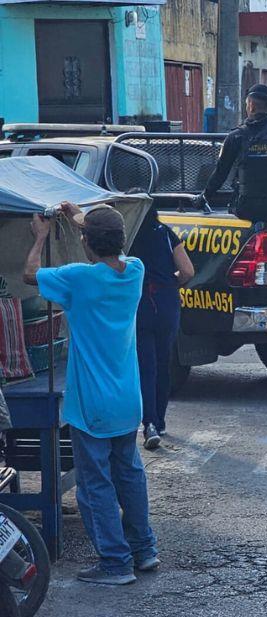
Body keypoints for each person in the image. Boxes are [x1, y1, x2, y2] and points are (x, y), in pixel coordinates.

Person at [23, 203, 159, 585]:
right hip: (127, 401)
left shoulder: (78, 279)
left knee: (95, 483)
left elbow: (29, 273)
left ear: (86, 242)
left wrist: (41, 237)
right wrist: (81, 216)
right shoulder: (134, 270)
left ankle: (115, 564)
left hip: (93, 406)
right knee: (129, 474)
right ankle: (143, 550)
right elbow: (107, 241)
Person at [195, 84, 267, 224]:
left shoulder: (235, 137)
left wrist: (204, 197)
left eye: (247, 105)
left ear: (251, 105)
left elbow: (220, 174)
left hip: (247, 210)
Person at [130, 206, 194, 450]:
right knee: (164, 360)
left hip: (140, 303)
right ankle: (161, 420)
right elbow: (188, 271)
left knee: (146, 365)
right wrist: (169, 282)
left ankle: (149, 424)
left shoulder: (129, 236)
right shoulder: (166, 233)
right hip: (167, 302)